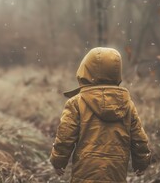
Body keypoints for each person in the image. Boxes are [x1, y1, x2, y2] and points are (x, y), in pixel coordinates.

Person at [50, 47, 151, 182]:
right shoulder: (127, 105)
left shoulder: (76, 103)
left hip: (85, 173)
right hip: (116, 172)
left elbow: (65, 137)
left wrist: (58, 161)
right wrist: (141, 162)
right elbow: (139, 139)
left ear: (85, 70)